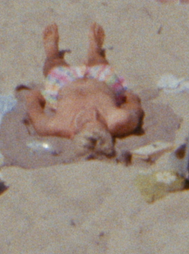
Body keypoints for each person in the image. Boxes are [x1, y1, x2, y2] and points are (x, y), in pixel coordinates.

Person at [16, 22, 144, 158]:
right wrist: (130, 98)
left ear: (72, 134)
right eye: (100, 120)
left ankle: (52, 54)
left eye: (87, 121)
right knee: (100, 63)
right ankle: (94, 53)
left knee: (53, 67)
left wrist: (34, 98)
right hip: (102, 81)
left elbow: (34, 111)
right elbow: (135, 108)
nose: (93, 113)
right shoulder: (120, 120)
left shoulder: (56, 125)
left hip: (63, 85)